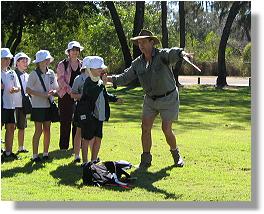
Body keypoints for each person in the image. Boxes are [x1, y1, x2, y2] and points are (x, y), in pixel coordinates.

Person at [107, 29, 192, 168]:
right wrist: (108, 79)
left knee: (166, 129)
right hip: (150, 100)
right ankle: (145, 160)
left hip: (168, 98)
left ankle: (176, 155)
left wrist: (181, 53)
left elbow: (171, 52)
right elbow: (124, 77)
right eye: (139, 42)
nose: (141, 45)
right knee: (145, 128)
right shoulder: (137, 63)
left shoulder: (161, 55)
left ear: (152, 42)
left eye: (144, 42)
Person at [78, 56, 122, 164]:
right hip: (90, 116)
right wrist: (103, 83)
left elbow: (104, 94)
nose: (101, 70)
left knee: (98, 138)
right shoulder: (88, 82)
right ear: (90, 69)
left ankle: (93, 160)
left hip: (100, 115)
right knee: (86, 139)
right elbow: (92, 93)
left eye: (100, 68)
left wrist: (115, 99)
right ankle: (85, 162)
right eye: (98, 68)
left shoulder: (99, 81)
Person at [26, 50, 59, 162]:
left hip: (48, 105)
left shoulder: (51, 73)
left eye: (48, 59)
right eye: (45, 59)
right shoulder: (33, 74)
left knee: (47, 129)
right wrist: (42, 95)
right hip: (37, 106)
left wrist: (52, 92)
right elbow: (28, 90)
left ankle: (45, 153)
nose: (47, 61)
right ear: (39, 62)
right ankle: (35, 155)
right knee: (38, 130)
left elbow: (56, 87)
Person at [57, 41, 83, 150]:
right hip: (65, 96)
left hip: (78, 96)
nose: (75, 52)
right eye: (73, 50)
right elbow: (60, 80)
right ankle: (64, 146)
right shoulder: (62, 64)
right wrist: (70, 91)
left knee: (77, 121)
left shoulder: (82, 64)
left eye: (77, 50)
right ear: (68, 52)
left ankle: (76, 145)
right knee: (65, 121)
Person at [1, 48, 21, 160]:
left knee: (11, 127)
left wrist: (15, 88)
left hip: (11, 105)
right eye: (5, 58)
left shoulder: (12, 72)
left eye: (9, 59)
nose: (7, 61)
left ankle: (8, 152)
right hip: (1, 105)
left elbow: (18, 87)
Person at [13, 52, 31, 153]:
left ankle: (21, 147)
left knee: (22, 127)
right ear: (17, 63)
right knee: (11, 127)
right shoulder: (12, 74)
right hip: (12, 104)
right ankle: (8, 150)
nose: (25, 62)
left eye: (26, 60)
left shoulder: (27, 76)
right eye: (22, 60)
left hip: (23, 104)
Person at [70, 66, 89, 163]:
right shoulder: (78, 79)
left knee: (91, 133)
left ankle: (91, 157)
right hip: (81, 108)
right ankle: (77, 155)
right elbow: (72, 94)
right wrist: (83, 96)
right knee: (79, 131)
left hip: (93, 109)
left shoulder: (96, 77)